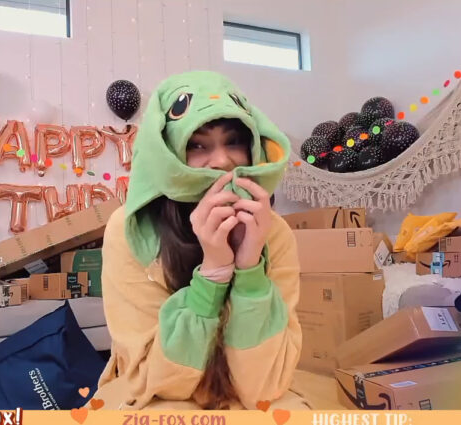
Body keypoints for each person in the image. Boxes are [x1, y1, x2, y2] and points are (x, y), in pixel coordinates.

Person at [91, 71, 309, 410]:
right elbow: (160, 381)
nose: (222, 161)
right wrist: (214, 273)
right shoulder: (133, 230)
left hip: (243, 401)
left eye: (233, 142)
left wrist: (250, 268)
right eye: (197, 145)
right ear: (169, 152)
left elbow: (263, 387)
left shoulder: (272, 232)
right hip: (160, 399)